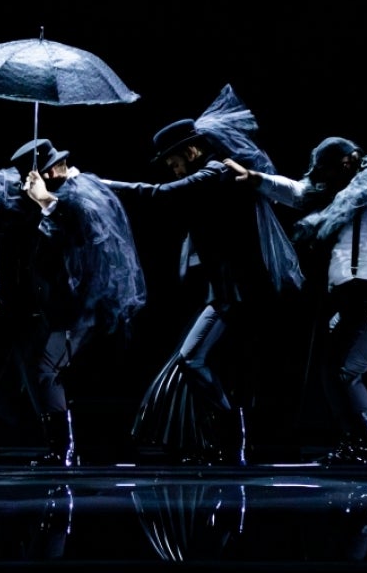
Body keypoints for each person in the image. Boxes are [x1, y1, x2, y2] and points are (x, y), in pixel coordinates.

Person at [102, 84, 304, 465]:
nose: (172, 168)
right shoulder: (213, 172)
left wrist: (101, 184)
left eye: (174, 161)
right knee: (214, 363)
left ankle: (229, 439)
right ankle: (223, 441)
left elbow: (160, 195)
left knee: (195, 359)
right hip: (228, 289)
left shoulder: (216, 172)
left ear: (191, 151)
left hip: (239, 290)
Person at [226, 137, 367, 466]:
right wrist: (257, 180)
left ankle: (362, 448)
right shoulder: (338, 193)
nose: (323, 178)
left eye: (328, 170)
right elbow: (298, 192)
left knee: (344, 369)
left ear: (348, 162)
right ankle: (354, 445)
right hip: (350, 294)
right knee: (332, 369)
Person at [0, 137, 148, 467]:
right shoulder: (63, 193)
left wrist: (47, 202)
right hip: (56, 304)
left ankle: (64, 451)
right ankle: (55, 441)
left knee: (45, 371)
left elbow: (84, 233)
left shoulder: (77, 196)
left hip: (81, 304)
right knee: (24, 373)